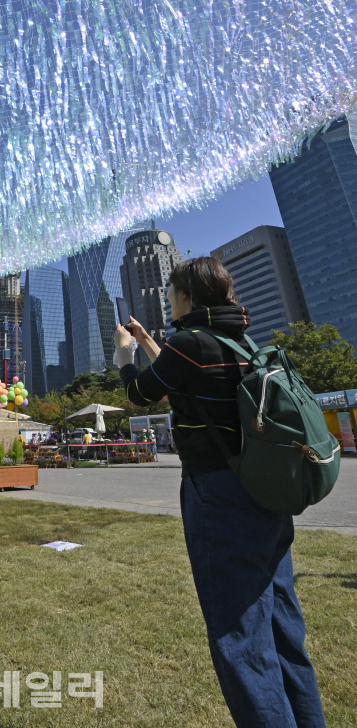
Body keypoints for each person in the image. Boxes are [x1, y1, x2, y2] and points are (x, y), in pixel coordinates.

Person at [113, 257, 326, 728]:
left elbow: (145, 394)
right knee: (281, 626)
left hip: (219, 493)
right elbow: (186, 377)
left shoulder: (190, 343)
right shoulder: (240, 339)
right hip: (263, 489)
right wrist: (149, 340)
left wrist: (125, 356)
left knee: (240, 634)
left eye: (171, 292)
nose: (169, 299)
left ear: (186, 295)